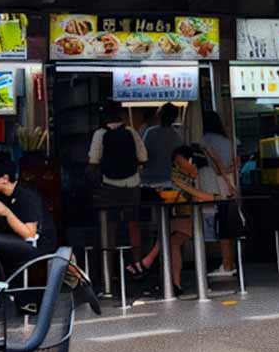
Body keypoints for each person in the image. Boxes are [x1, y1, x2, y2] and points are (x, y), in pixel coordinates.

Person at [0, 152, 100, 314]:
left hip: (39, 245)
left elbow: (30, 234)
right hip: (19, 243)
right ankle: (20, 299)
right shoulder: (3, 197)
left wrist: (6, 213)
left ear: (4, 178)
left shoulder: (26, 196)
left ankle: (23, 298)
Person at [126, 145, 220, 295]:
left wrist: (185, 187)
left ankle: (146, 262)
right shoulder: (191, 177)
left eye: (180, 162)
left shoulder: (204, 172)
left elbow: (213, 198)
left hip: (212, 221)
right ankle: (175, 284)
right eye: (176, 163)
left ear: (191, 160)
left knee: (169, 226)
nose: (178, 166)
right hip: (198, 220)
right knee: (173, 242)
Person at [87, 102, 147, 252]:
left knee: (109, 227)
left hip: (109, 186)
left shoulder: (100, 134)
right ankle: (137, 263)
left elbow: (93, 161)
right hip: (132, 185)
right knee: (134, 225)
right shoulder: (131, 132)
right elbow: (144, 157)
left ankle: (110, 269)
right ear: (121, 116)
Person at [199, 111, 240, 279]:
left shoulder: (205, 140)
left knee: (221, 226)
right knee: (227, 225)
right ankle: (229, 262)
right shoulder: (228, 141)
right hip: (230, 186)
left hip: (216, 186)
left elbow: (215, 168)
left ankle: (227, 264)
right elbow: (235, 164)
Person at [140, 103, 182, 188]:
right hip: (169, 181)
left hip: (149, 181)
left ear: (159, 115)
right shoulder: (178, 136)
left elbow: (143, 157)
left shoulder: (150, 132)